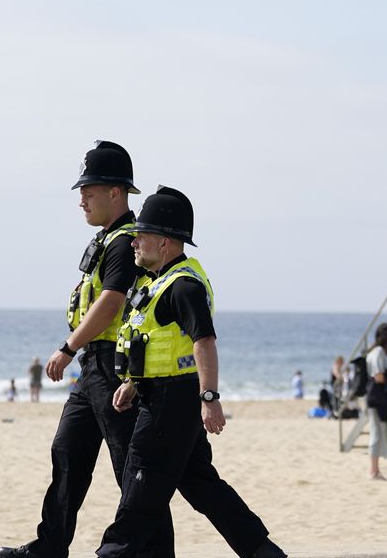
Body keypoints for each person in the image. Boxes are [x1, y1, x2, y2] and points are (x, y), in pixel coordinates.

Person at [0, 141, 172, 558]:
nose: (81, 201)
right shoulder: (108, 239)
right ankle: (50, 546)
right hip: (93, 369)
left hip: (112, 368)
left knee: (130, 469)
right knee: (67, 453)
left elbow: (111, 299)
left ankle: (155, 552)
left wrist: (67, 347)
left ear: (116, 192)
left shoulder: (125, 242)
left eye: (88, 192)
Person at [96, 186, 285, 558]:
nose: (134, 242)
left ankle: (112, 553)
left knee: (139, 488)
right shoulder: (158, 282)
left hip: (172, 404)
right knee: (202, 487)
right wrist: (134, 384)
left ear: (165, 243)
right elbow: (160, 345)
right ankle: (263, 552)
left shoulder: (184, 287)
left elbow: (204, 342)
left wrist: (210, 398)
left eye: (141, 236)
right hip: (164, 397)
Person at [365, 322, 387, 481]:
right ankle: (373, 471)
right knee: (376, 433)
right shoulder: (379, 353)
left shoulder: (373, 351)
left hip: (373, 396)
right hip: (377, 397)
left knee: (377, 432)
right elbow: (379, 376)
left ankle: (375, 470)